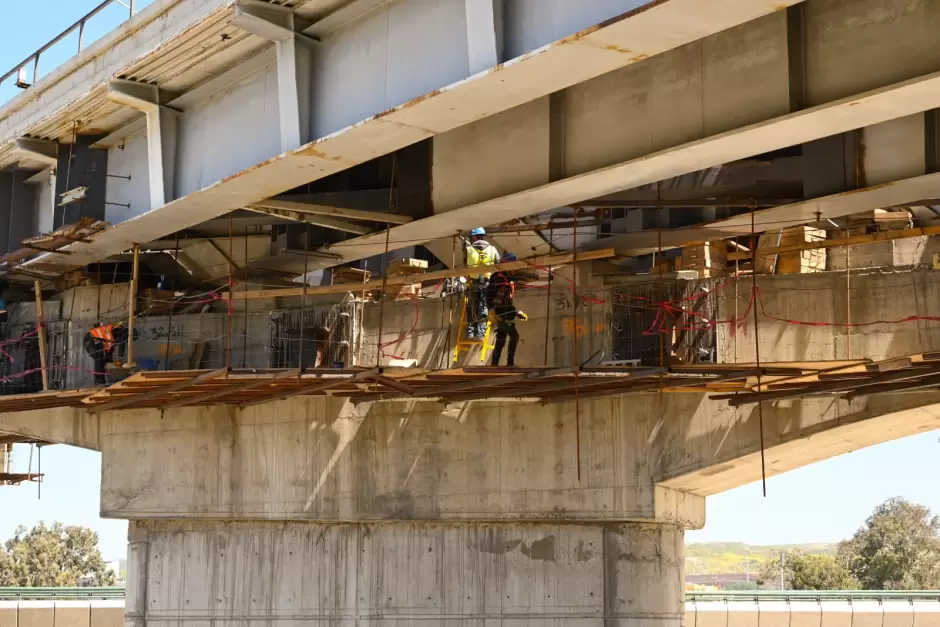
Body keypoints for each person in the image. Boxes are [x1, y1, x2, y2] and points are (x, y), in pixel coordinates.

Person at [486, 253, 528, 367]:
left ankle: (494, 364)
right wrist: (516, 312)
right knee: (514, 336)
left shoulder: (507, 278)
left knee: (501, 337)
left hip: (504, 311)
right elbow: (499, 299)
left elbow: (505, 299)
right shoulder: (499, 278)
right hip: (502, 312)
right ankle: (510, 363)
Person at [464, 227, 499, 340]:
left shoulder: (468, 249)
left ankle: (470, 333)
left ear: (474, 237)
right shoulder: (492, 249)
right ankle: (480, 334)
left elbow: (465, 264)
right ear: (483, 236)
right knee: (483, 307)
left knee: (471, 307)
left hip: (473, 282)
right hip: (487, 283)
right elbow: (498, 264)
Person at [83, 321, 131, 385]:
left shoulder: (120, 332)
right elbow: (121, 342)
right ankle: (99, 382)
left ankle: (108, 380)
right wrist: (120, 357)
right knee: (99, 357)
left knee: (107, 359)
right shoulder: (119, 331)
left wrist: (112, 363)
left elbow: (112, 348)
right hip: (90, 339)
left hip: (99, 342)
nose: (126, 341)